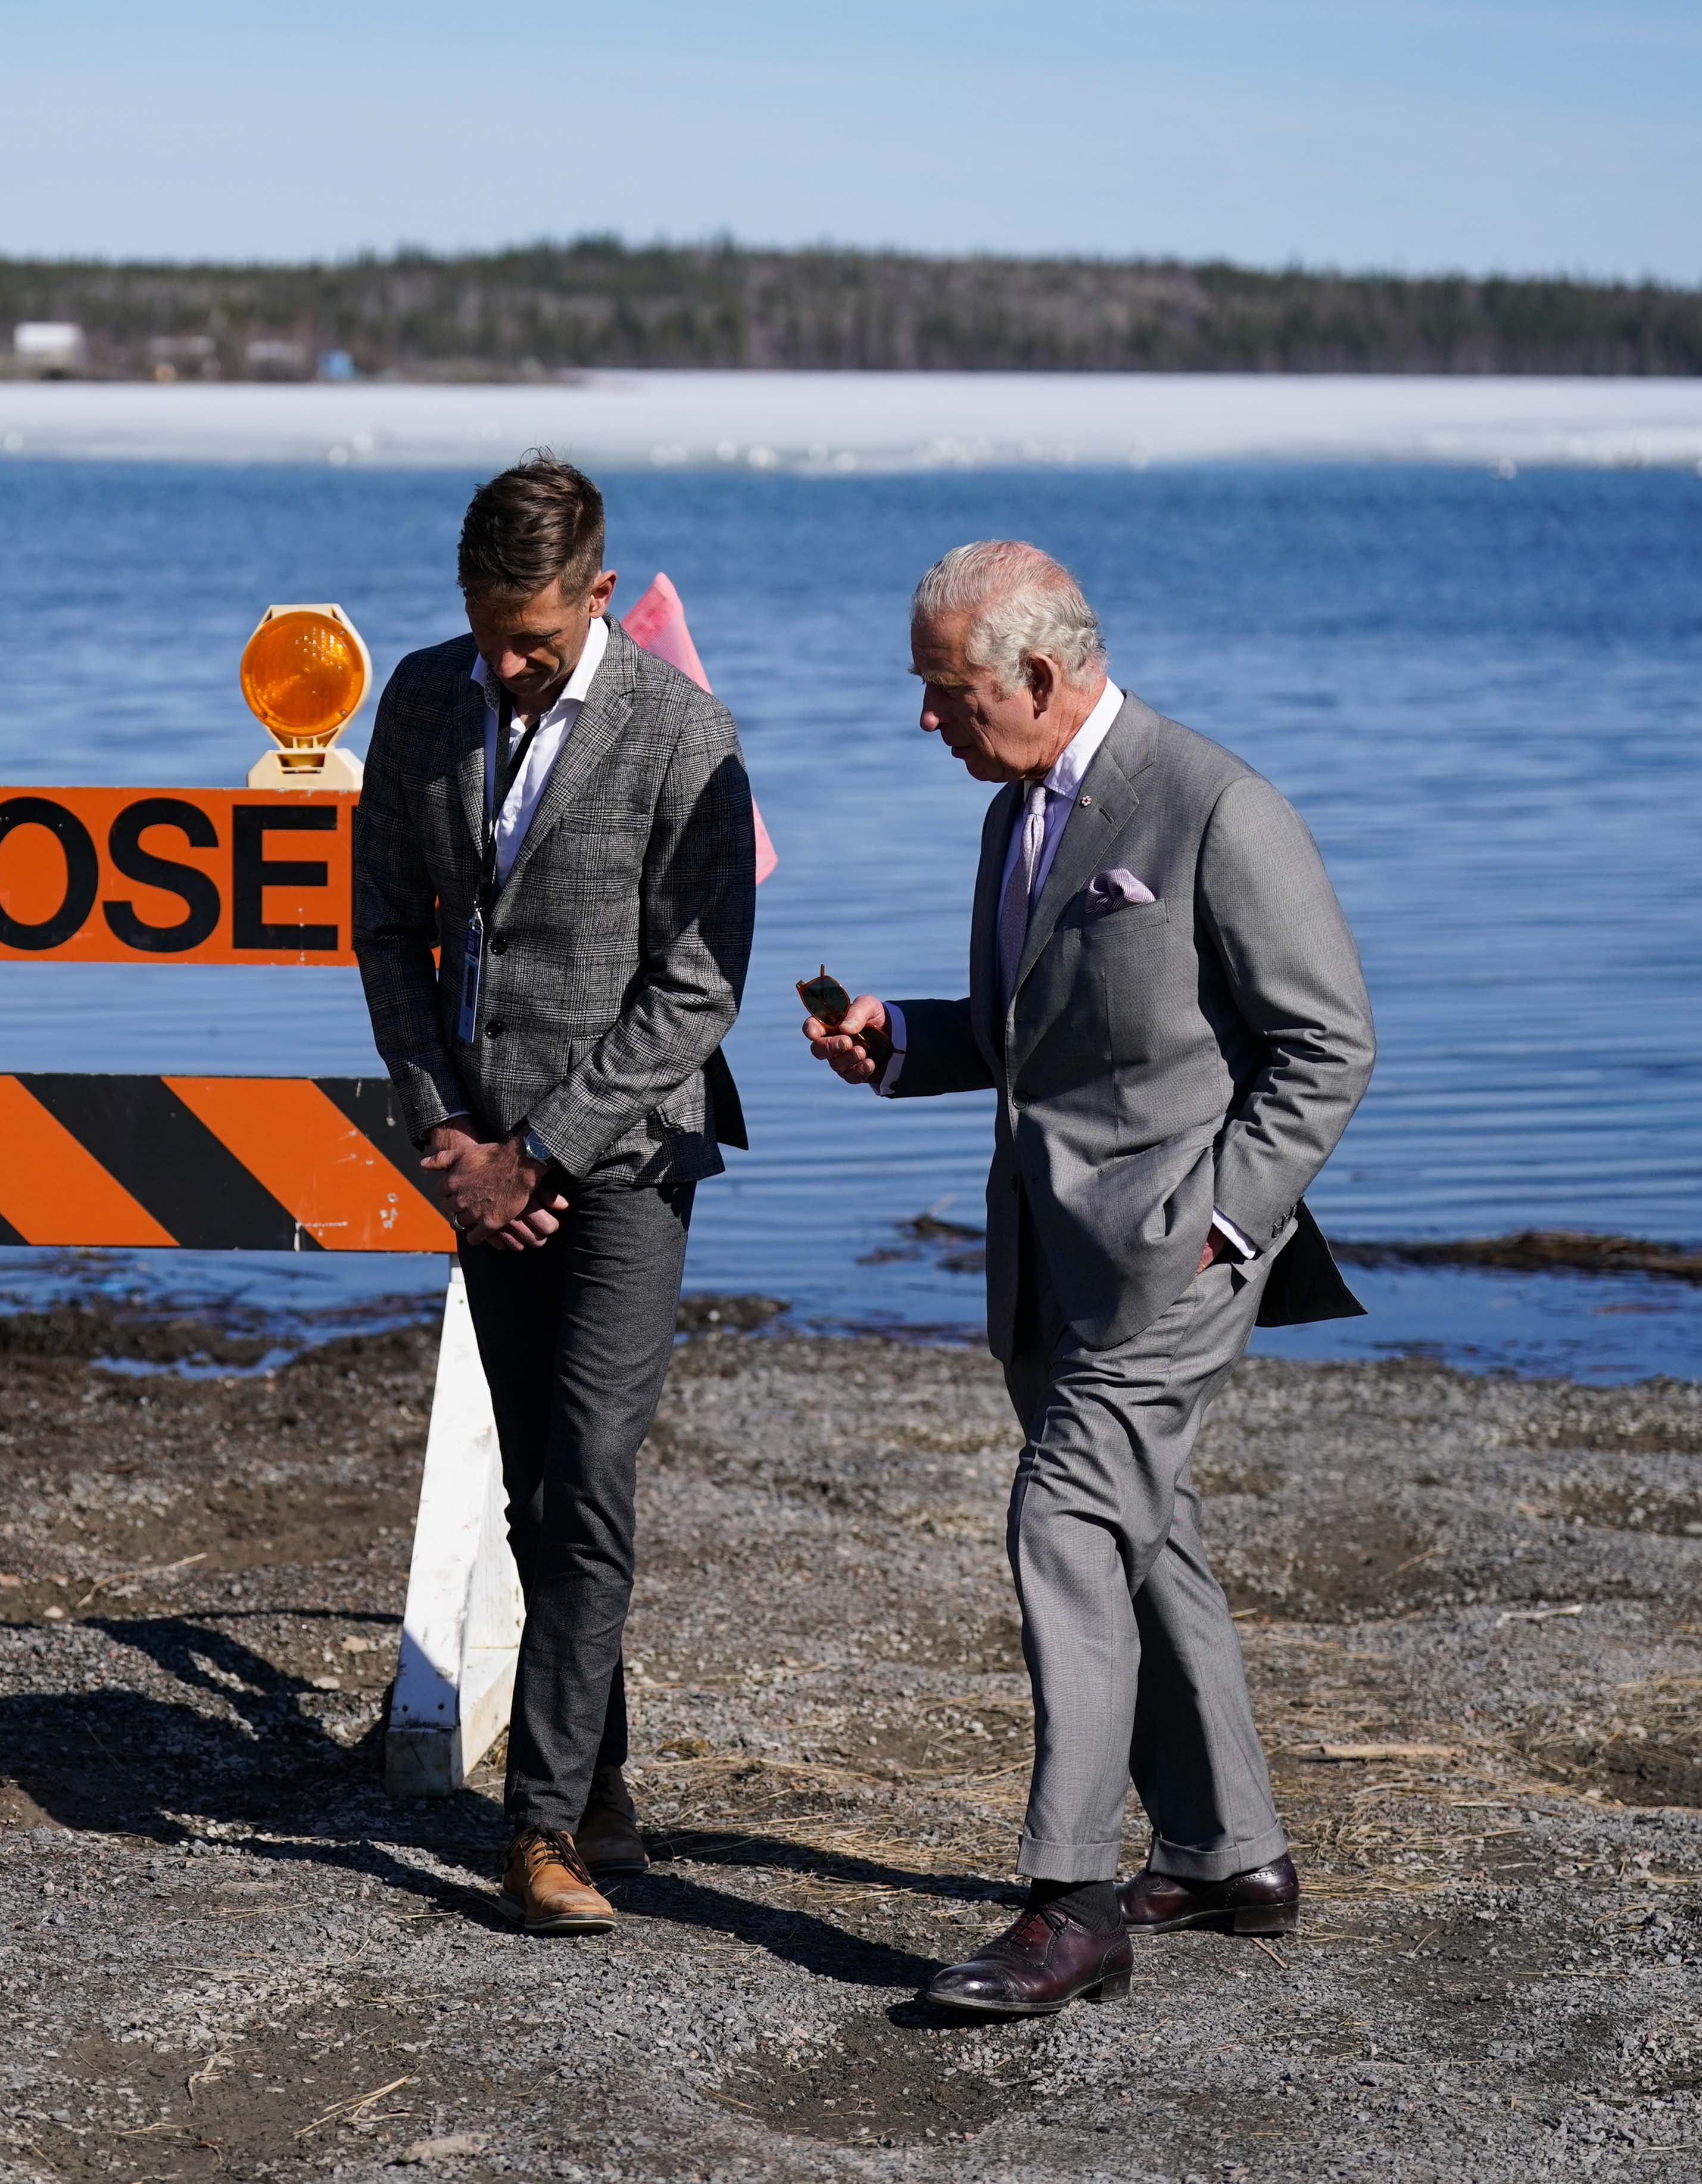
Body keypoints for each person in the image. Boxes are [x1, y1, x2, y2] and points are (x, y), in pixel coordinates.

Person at [804, 540, 1373, 2013]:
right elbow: (1026, 1035)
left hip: (1171, 1263)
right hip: (1044, 1256)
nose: (926, 721)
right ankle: (1227, 1851)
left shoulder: (1214, 806)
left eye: (945, 694)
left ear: (1040, 678)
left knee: (1060, 1524)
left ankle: (1068, 1903)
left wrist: (1223, 1226)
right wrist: (904, 1043)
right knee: (1143, 1531)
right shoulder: (1014, 815)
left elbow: (1328, 1045)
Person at [351, 456, 756, 1935]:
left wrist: (547, 1149)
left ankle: (535, 1828)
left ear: (599, 591)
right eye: (484, 632)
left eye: (529, 637)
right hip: (477, 1161)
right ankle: (602, 1783)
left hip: (632, 1159)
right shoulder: (418, 698)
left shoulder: (682, 733)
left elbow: (699, 981)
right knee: (537, 1489)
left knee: (586, 1472)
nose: (505, 665)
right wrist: (446, 1136)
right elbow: (387, 929)